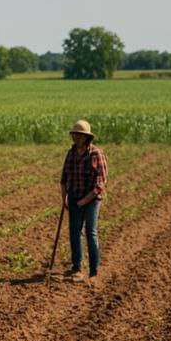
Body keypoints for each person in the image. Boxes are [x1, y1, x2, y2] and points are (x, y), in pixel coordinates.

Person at [60, 119, 108, 281]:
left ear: (87, 137)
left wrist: (84, 201)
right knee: (74, 232)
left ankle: (93, 271)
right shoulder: (71, 153)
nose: (77, 138)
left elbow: (100, 185)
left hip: (92, 199)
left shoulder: (96, 154)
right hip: (74, 197)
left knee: (90, 232)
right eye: (75, 135)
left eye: (80, 135)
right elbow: (64, 179)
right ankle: (77, 268)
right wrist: (64, 198)